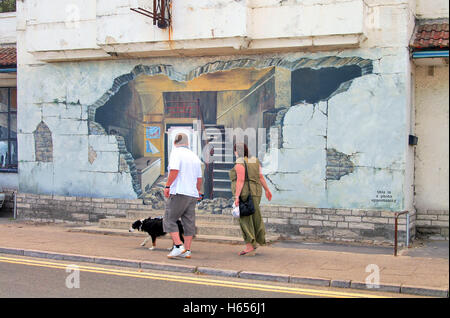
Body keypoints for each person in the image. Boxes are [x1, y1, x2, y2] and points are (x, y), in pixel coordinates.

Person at [164, 132, 203, 259]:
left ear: (175, 142)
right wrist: (197, 192)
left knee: (169, 219)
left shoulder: (176, 152)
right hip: (192, 194)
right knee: (189, 222)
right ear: (187, 143)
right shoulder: (194, 156)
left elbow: (174, 170)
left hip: (179, 192)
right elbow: (199, 179)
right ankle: (187, 250)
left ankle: (178, 246)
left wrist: (168, 186)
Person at [229, 142, 272, 256]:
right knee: (254, 217)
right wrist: (267, 190)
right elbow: (260, 176)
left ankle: (249, 246)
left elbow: (241, 180)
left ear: (236, 151)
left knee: (245, 218)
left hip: (245, 193)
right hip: (256, 192)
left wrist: (237, 197)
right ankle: (256, 241)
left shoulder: (239, 162)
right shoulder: (254, 160)